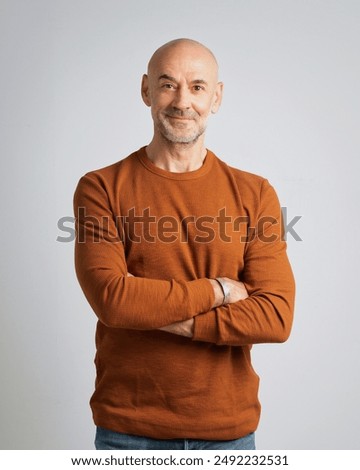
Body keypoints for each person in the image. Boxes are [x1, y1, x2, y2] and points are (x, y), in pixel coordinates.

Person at [74, 38, 295, 451]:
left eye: (196, 87)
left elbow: (276, 316)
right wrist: (222, 291)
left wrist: (148, 309)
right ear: (146, 91)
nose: (181, 101)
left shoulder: (254, 193)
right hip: (129, 432)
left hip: (229, 435)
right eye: (167, 84)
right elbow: (112, 299)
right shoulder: (101, 188)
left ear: (217, 97)